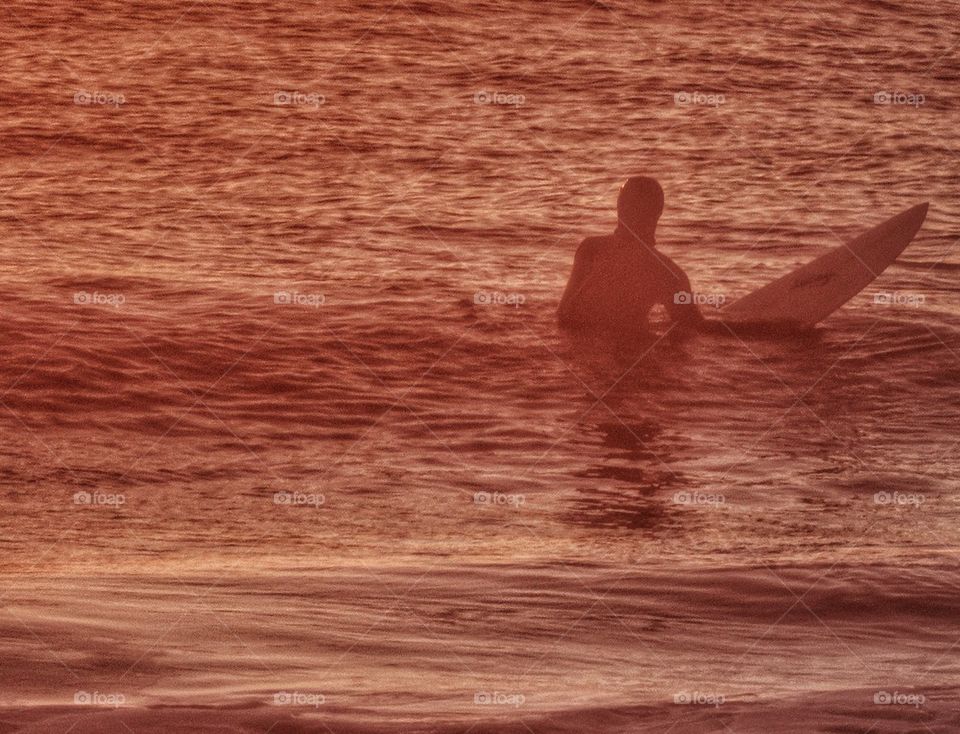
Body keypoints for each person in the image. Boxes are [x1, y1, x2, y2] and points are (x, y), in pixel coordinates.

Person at [558, 176, 703, 333]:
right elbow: (694, 327)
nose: (623, 210)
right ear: (658, 212)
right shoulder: (668, 273)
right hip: (627, 345)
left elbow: (564, 315)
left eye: (628, 206)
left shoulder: (591, 248)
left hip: (578, 346)